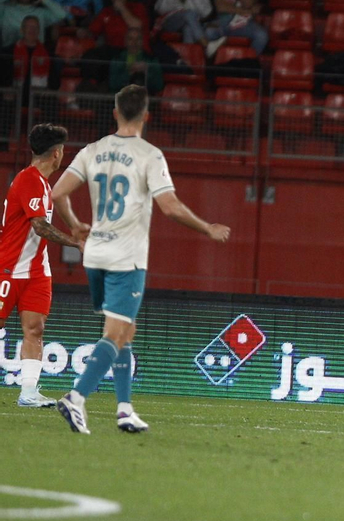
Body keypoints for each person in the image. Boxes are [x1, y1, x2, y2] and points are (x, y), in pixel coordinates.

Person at [50, 86, 231, 433]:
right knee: (116, 333)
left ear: (115, 113)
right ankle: (76, 397)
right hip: (126, 258)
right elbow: (171, 207)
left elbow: (58, 193)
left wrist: (76, 227)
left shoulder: (93, 150)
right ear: (147, 116)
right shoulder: (150, 155)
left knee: (124, 330)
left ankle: (124, 409)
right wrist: (207, 228)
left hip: (95, 254)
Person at [1, 124, 81, 407]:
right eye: (63, 151)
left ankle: (28, 393)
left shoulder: (43, 184)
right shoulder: (30, 180)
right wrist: (77, 242)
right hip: (8, 267)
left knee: (35, 329)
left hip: (36, 271)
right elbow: (39, 227)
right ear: (57, 153)